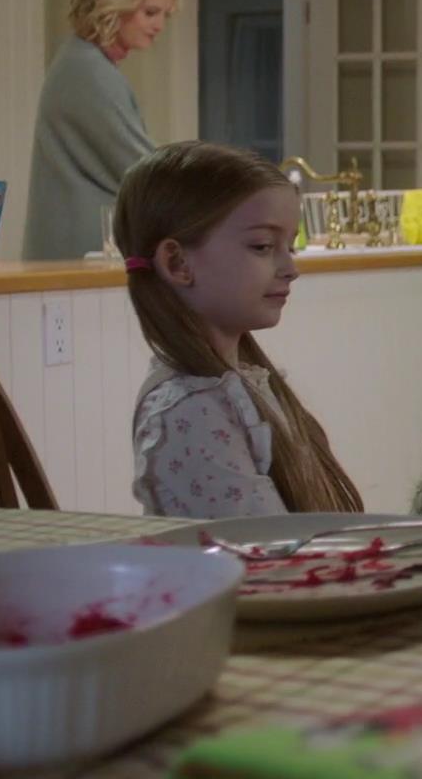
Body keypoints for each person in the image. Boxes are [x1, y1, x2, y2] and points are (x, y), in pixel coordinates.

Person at [116, 141, 363, 518]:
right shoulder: (191, 412)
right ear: (178, 263)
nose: (290, 269)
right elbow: (265, 550)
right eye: (262, 246)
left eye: (290, 247)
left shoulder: (240, 387)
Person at [24, 0, 174, 261]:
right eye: (150, 12)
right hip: (80, 254)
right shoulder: (89, 71)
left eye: (165, 15)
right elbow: (142, 167)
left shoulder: (81, 62)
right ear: (116, 4)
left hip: (77, 251)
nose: (159, 25)